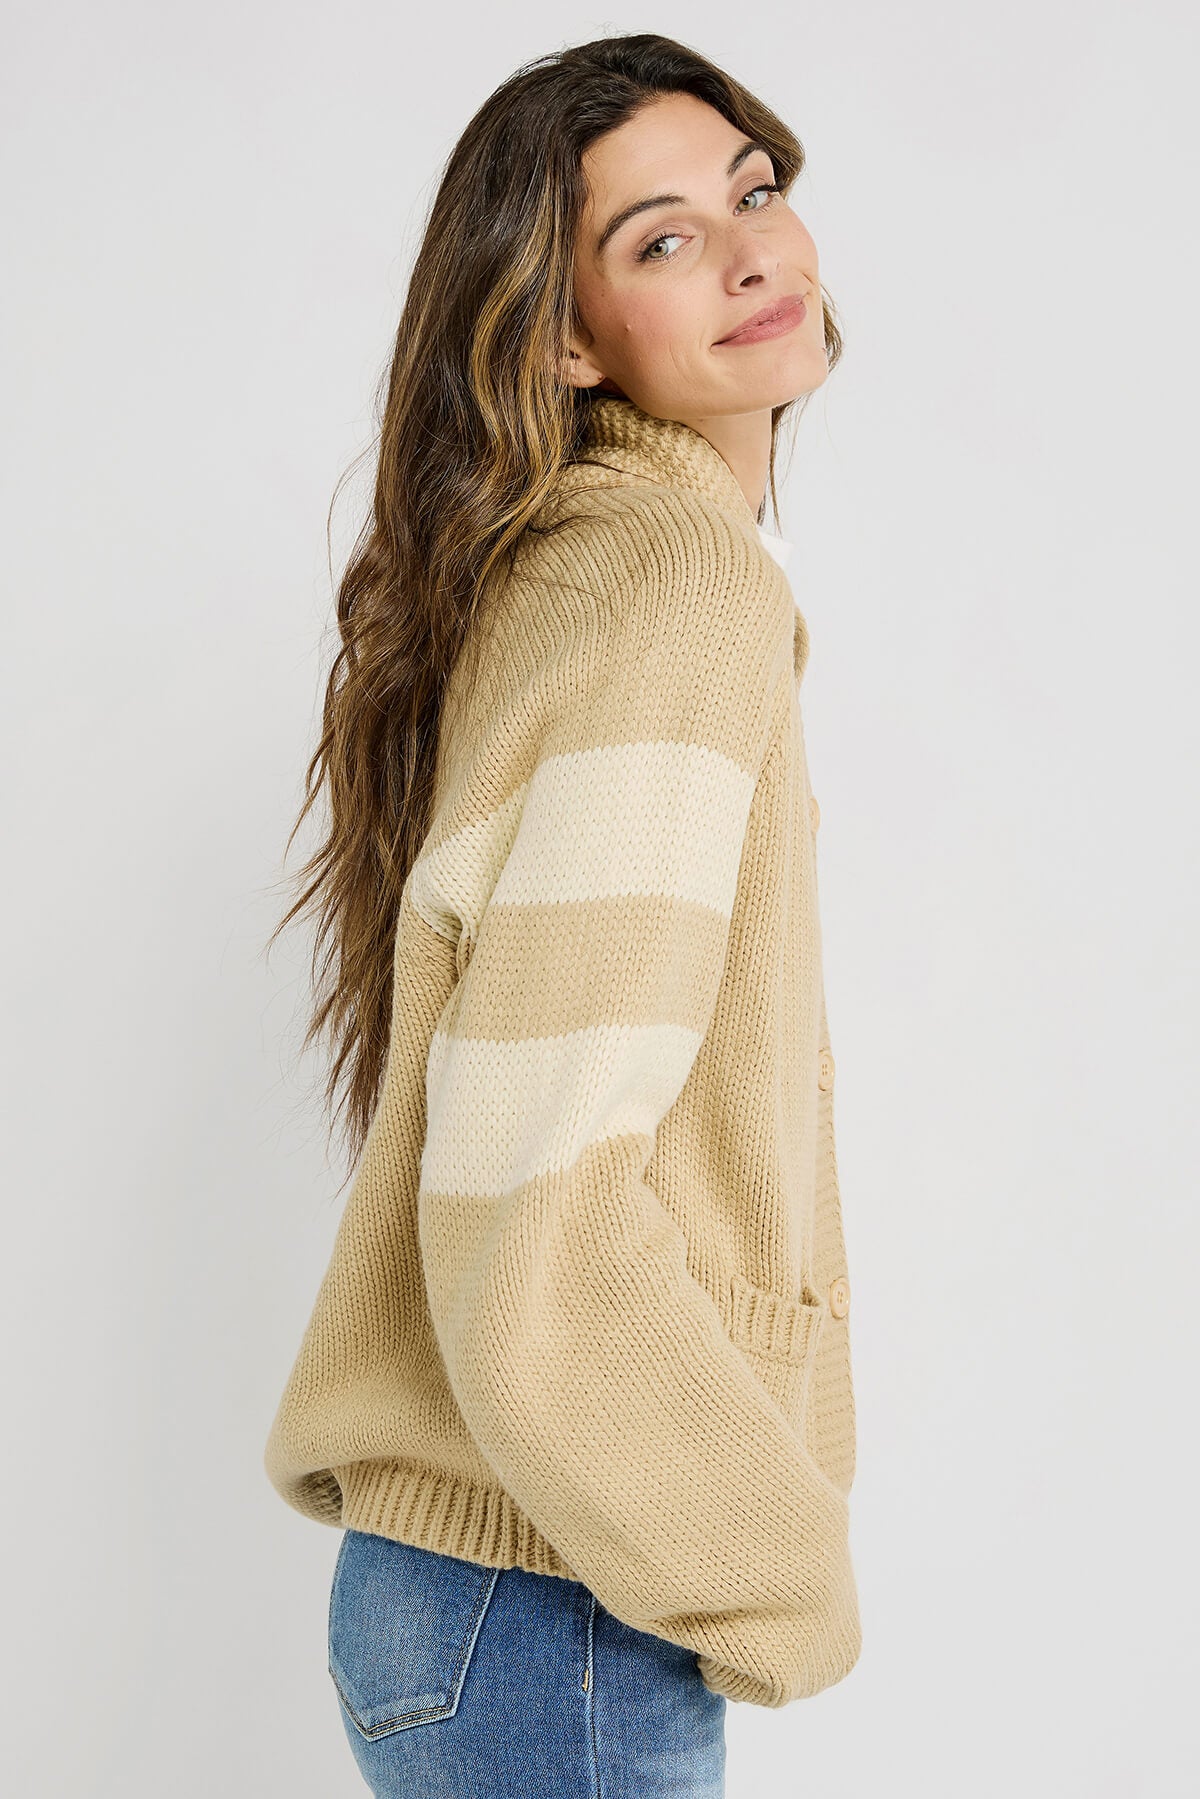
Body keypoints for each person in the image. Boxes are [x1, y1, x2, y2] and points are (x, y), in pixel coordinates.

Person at [262, 30, 861, 1797]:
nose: (751, 254)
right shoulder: (672, 584)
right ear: (563, 337)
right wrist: (774, 1568)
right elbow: (535, 1184)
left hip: (495, 1601)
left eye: (755, 193)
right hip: (556, 1602)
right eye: (663, 239)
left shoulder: (583, 563)